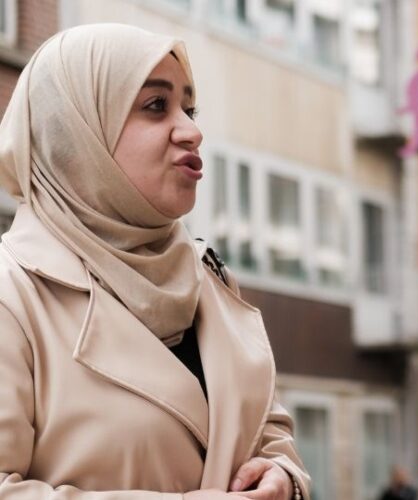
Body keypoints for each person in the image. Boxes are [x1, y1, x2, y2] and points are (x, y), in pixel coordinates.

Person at [0, 24, 310, 499]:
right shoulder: (13, 291)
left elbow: (266, 433)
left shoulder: (208, 277)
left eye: (189, 108)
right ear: (79, 132)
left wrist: (282, 476)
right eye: (155, 105)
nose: (192, 130)